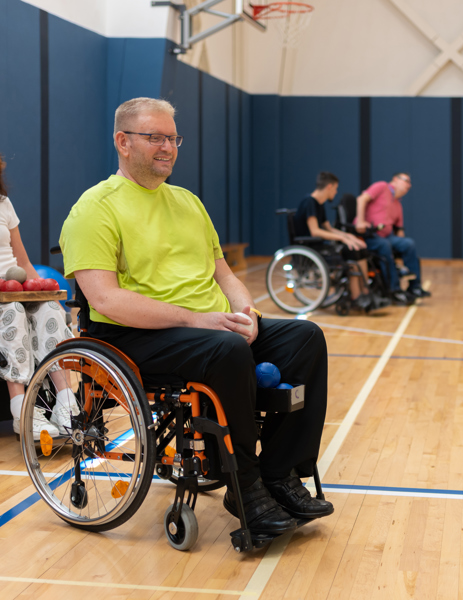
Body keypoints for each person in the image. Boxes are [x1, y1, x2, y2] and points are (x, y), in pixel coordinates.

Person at [60, 97, 334, 538]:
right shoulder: (94, 208)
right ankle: (245, 487)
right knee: (224, 349)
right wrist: (195, 320)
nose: (167, 147)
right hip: (137, 335)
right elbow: (106, 300)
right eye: (155, 137)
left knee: (305, 337)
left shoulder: (188, 202)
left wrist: (248, 313)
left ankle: (280, 473)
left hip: (208, 329)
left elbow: (224, 273)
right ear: (122, 142)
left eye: (173, 138)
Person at [0, 155, 77, 439]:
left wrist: (44, 292)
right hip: (4, 301)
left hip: (15, 285)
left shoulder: (3, 204)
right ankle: (23, 411)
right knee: (15, 313)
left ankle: (65, 404)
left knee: (50, 311)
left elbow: (22, 258)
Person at [293, 171, 372, 311]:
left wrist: (349, 237)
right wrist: (342, 238)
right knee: (351, 253)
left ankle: (365, 292)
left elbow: (328, 228)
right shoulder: (309, 202)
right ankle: (356, 296)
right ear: (329, 187)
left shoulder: (319, 204)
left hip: (319, 246)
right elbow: (315, 231)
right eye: (335, 189)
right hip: (311, 248)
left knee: (358, 249)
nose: (336, 193)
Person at [355, 172, 431, 299]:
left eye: (410, 183)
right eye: (406, 181)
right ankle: (394, 289)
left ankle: (415, 286)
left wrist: (402, 252)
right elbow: (361, 199)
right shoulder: (381, 186)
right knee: (385, 245)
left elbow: (399, 230)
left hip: (387, 237)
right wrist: (360, 221)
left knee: (408, 244)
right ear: (395, 180)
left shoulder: (397, 204)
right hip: (369, 235)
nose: (409, 185)